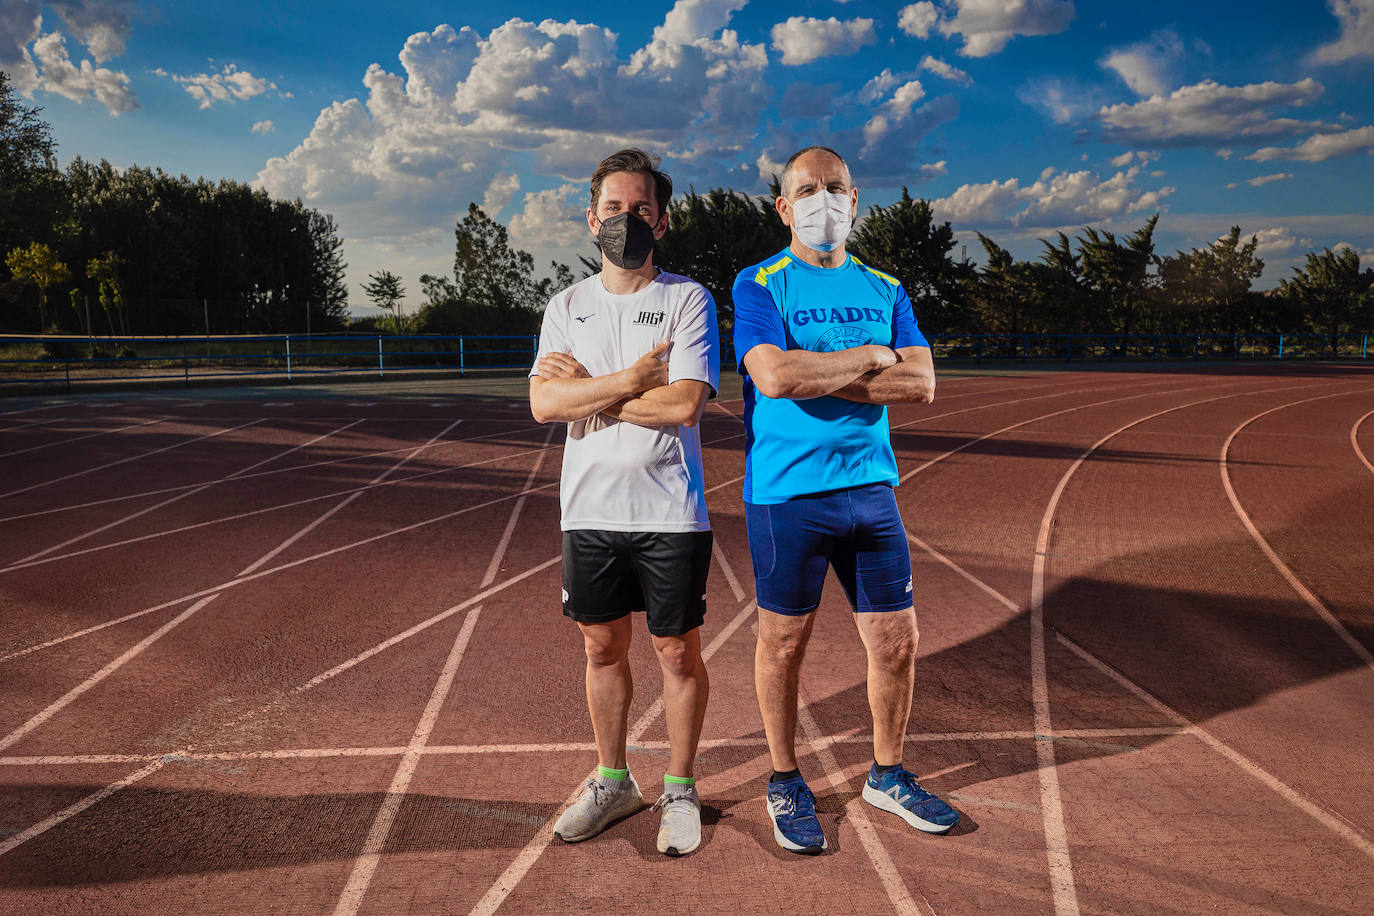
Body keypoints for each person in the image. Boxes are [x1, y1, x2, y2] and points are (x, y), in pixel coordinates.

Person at [731, 145, 958, 855]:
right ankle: (783, 777)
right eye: (807, 189)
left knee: (896, 641)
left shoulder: (887, 288)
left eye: (835, 188)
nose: (822, 199)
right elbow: (773, 377)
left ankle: (886, 775)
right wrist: (867, 357)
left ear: (855, 201)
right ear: (783, 206)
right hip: (788, 496)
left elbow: (920, 383)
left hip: (871, 492)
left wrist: (818, 370)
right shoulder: (759, 283)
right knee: (784, 642)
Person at [529, 148, 719, 857]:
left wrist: (599, 390)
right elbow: (545, 402)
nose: (626, 219)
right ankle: (614, 782)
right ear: (591, 219)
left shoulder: (686, 298)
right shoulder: (566, 306)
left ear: (662, 221)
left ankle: (678, 786)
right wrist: (635, 378)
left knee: (675, 652)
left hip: (670, 510)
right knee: (601, 647)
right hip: (589, 511)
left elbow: (685, 406)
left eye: (640, 208)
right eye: (614, 208)